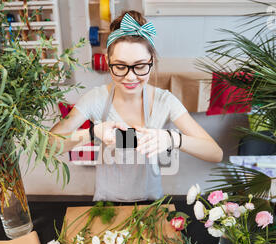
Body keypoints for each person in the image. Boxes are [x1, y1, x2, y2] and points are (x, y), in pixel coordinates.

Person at [50, 10, 223, 202]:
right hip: (106, 202)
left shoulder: (164, 101)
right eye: (120, 66)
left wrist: (172, 139)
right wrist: (92, 133)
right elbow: (49, 146)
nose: (130, 77)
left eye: (140, 66)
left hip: (151, 202)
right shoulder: (96, 99)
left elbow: (215, 153)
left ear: (152, 61)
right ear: (108, 61)